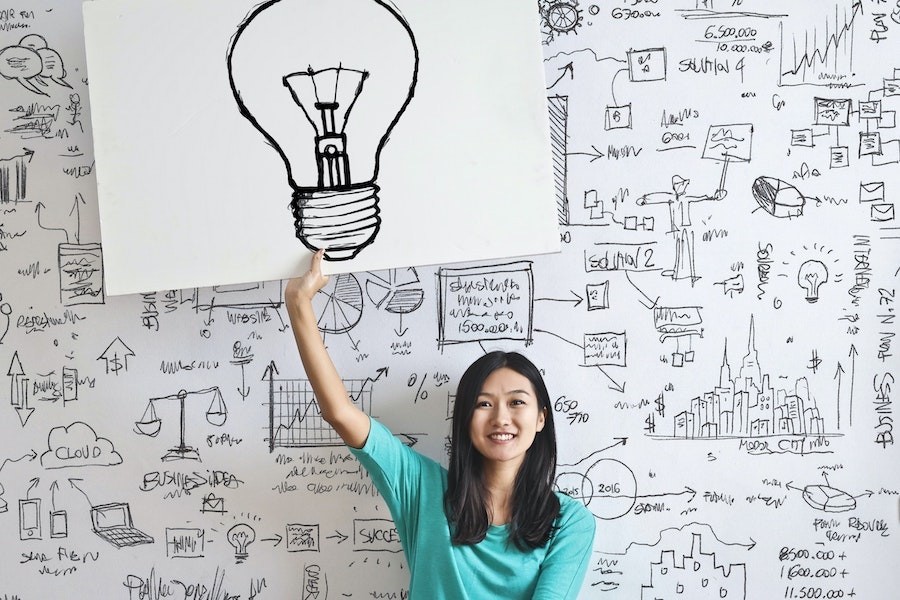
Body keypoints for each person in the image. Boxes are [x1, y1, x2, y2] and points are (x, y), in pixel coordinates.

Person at [285, 249, 595, 599]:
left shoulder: (569, 522)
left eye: (517, 402)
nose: (500, 418)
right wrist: (299, 303)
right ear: (465, 418)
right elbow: (340, 413)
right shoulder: (423, 488)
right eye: (483, 403)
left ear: (541, 418)